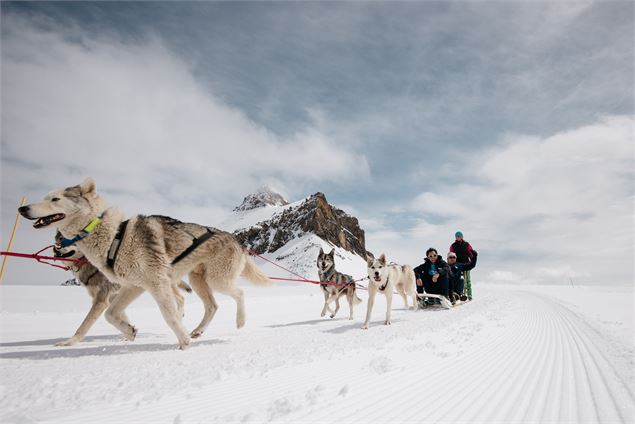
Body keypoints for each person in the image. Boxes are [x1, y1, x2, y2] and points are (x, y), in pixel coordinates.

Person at [450, 231, 475, 300]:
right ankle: (459, 293)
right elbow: (451, 254)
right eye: (457, 236)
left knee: (467, 279)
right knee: (459, 278)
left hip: (466, 264)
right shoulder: (453, 245)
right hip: (457, 265)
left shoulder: (466, 244)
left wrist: (472, 259)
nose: (458, 237)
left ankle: (469, 294)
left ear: (462, 237)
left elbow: (470, 253)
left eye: (459, 236)